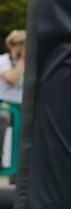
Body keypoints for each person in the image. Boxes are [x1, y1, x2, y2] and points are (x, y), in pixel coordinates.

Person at [0, 29, 26, 165]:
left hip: (23, 106)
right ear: (11, 45)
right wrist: (21, 60)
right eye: (18, 44)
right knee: (2, 117)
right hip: (5, 105)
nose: (21, 48)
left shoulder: (32, 64)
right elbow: (11, 79)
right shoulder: (3, 61)